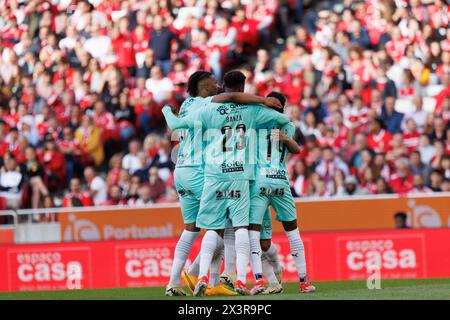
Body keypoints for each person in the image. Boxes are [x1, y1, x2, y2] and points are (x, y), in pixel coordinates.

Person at [162, 70, 289, 296]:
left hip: (180, 169)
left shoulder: (187, 105)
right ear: (203, 86)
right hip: (204, 170)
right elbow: (231, 97)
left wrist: (166, 111)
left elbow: (179, 124)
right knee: (228, 223)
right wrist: (263, 100)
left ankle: (175, 281)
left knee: (190, 230)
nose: (217, 85)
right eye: (213, 82)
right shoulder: (207, 103)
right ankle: (219, 279)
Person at [247, 91, 316, 295]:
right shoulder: (288, 125)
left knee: (253, 233)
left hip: (259, 183)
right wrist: (285, 138)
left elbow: (295, 149)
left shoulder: (255, 123)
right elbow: (296, 149)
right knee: (290, 232)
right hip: (279, 181)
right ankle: (303, 281)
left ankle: (260, 280)